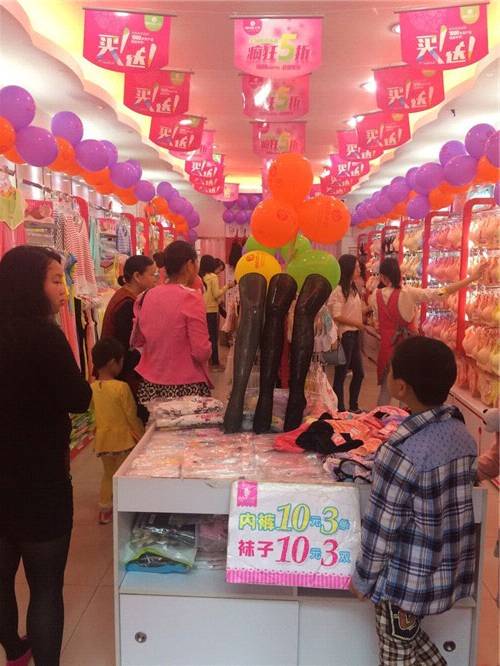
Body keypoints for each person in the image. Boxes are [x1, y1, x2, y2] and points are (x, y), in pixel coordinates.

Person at [351, 337, 477, 665]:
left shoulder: (400, 451)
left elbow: (382, 527)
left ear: (401, 387)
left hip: (403, 582)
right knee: (407, 639)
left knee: (396, 654)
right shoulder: (462, 436)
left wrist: (363, 578)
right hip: (443, 569)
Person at [0, 246, 91, 666]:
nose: (63, 289)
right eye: (56, 279)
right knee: (46, 587)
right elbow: (78, 398)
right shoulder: (46, 336)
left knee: (1, 581)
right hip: (40, 481)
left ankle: (15, 651)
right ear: (29, 285)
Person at [373, 257, 487, 405]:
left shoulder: (376, 296)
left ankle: (380, 417)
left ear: (382, 276)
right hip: (408, 347)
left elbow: (377, 323)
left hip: (386, 348)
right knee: (409, 391)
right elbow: (440, 292)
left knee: (385, 390)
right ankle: (407, 418)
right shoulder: (408, 293)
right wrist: (471, 279)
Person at [134, 241, 213, 404]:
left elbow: (139, 340)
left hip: (150, 384)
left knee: (156, 420)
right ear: (189, 265)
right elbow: (201, 352)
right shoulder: (191, 297)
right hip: (185, 386)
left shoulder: (147, 295)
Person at [91, 338, 144, 525]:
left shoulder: (92, 388)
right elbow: (131, 415)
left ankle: (105, 509)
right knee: (123, 475)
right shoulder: (121, 387)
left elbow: (93, 414)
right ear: (113, 362)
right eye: (121, 361)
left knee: (108, 474)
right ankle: (126, 506)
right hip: (122, 440)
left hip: (103, 440)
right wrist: (140, 434)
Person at [330, 254, 365, 413]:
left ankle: (353, 406)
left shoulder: (353, 288)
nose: (359, 269)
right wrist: (357, 323)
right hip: (346, 336)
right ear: (348, 268)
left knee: (359, 373)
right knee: (341, 374)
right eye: (356, 267)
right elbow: (336, 315)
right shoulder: (339, 290)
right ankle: (340, 408)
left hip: (355, 335)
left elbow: (352, 310)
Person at [199, 254, 233, 370]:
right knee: (213, 337)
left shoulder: (201, 276)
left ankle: (208, 361)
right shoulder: (213, 277)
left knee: (207, 337)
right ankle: (215, 363)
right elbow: (216, 294)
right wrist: (227, 286)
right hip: (212, 310)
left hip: (203, 310)